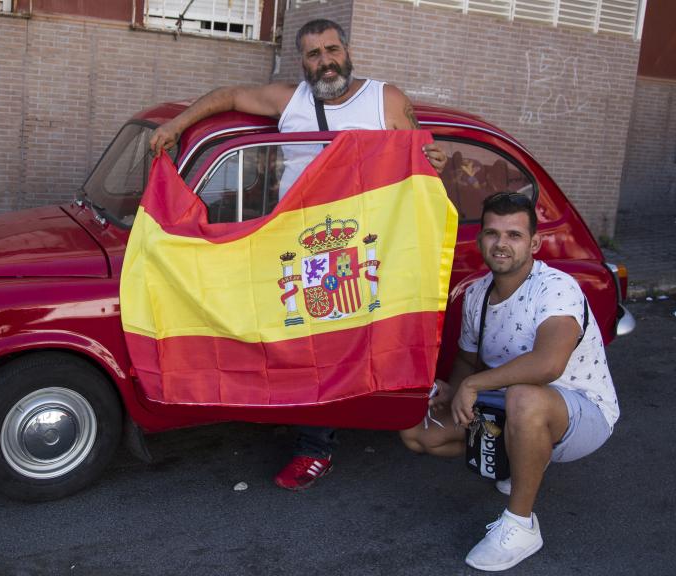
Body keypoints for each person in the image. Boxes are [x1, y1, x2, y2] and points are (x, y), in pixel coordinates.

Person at [149, 18, 448, 492]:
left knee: (364, 341)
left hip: (369, 248)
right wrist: (177, 123)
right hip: (303, 248)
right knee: (309, 349)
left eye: (332, 49)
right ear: (302, 62)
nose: (325, 61)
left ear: (347, 51)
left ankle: (334, 440)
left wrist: (436, 161)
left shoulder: (386, 100)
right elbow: (228, 95)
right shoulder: (291, 100)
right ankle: (310, 433)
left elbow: (424, 165)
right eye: (313, 54)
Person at [399, 192, 620, 571]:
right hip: (511, 401)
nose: (501, 243)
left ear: (534, 242)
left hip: (582, 410)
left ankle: (521, 525)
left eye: (514, 235)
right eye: (492, 233)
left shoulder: (556, 287)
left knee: (525, 398)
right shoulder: (476, 294)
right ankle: (521, 462)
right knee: (418, 431)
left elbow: (548, 364)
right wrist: (457, 390)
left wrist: (475, 386)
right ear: (481, 239)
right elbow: (468, 360)